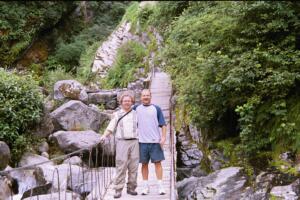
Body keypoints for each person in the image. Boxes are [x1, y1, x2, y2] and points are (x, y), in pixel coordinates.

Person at [100, 93, 139, 199]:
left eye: (129, 101)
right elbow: (110, 127)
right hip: (122, 142)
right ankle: (118, 189)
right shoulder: (117, 115)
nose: (127, 102)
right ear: (121, 103)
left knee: (134, 166)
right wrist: (104, 136)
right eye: (125, 101)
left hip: (135, 142)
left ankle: (131, 188)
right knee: (121, 166)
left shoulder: (136, 113)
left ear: (132, 102)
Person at [133, 89, 167, 195]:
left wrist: (163, 137)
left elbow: (163, 124)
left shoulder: (156, 109)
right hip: (141, 142)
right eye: (144, 95)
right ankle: (145, 186)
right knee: (144, 164)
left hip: (155, 142)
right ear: (141, 97)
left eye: (147, 95)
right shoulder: (135, 109)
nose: (145, 97)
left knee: (158, 164)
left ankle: (160, 186)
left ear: (150, 96)